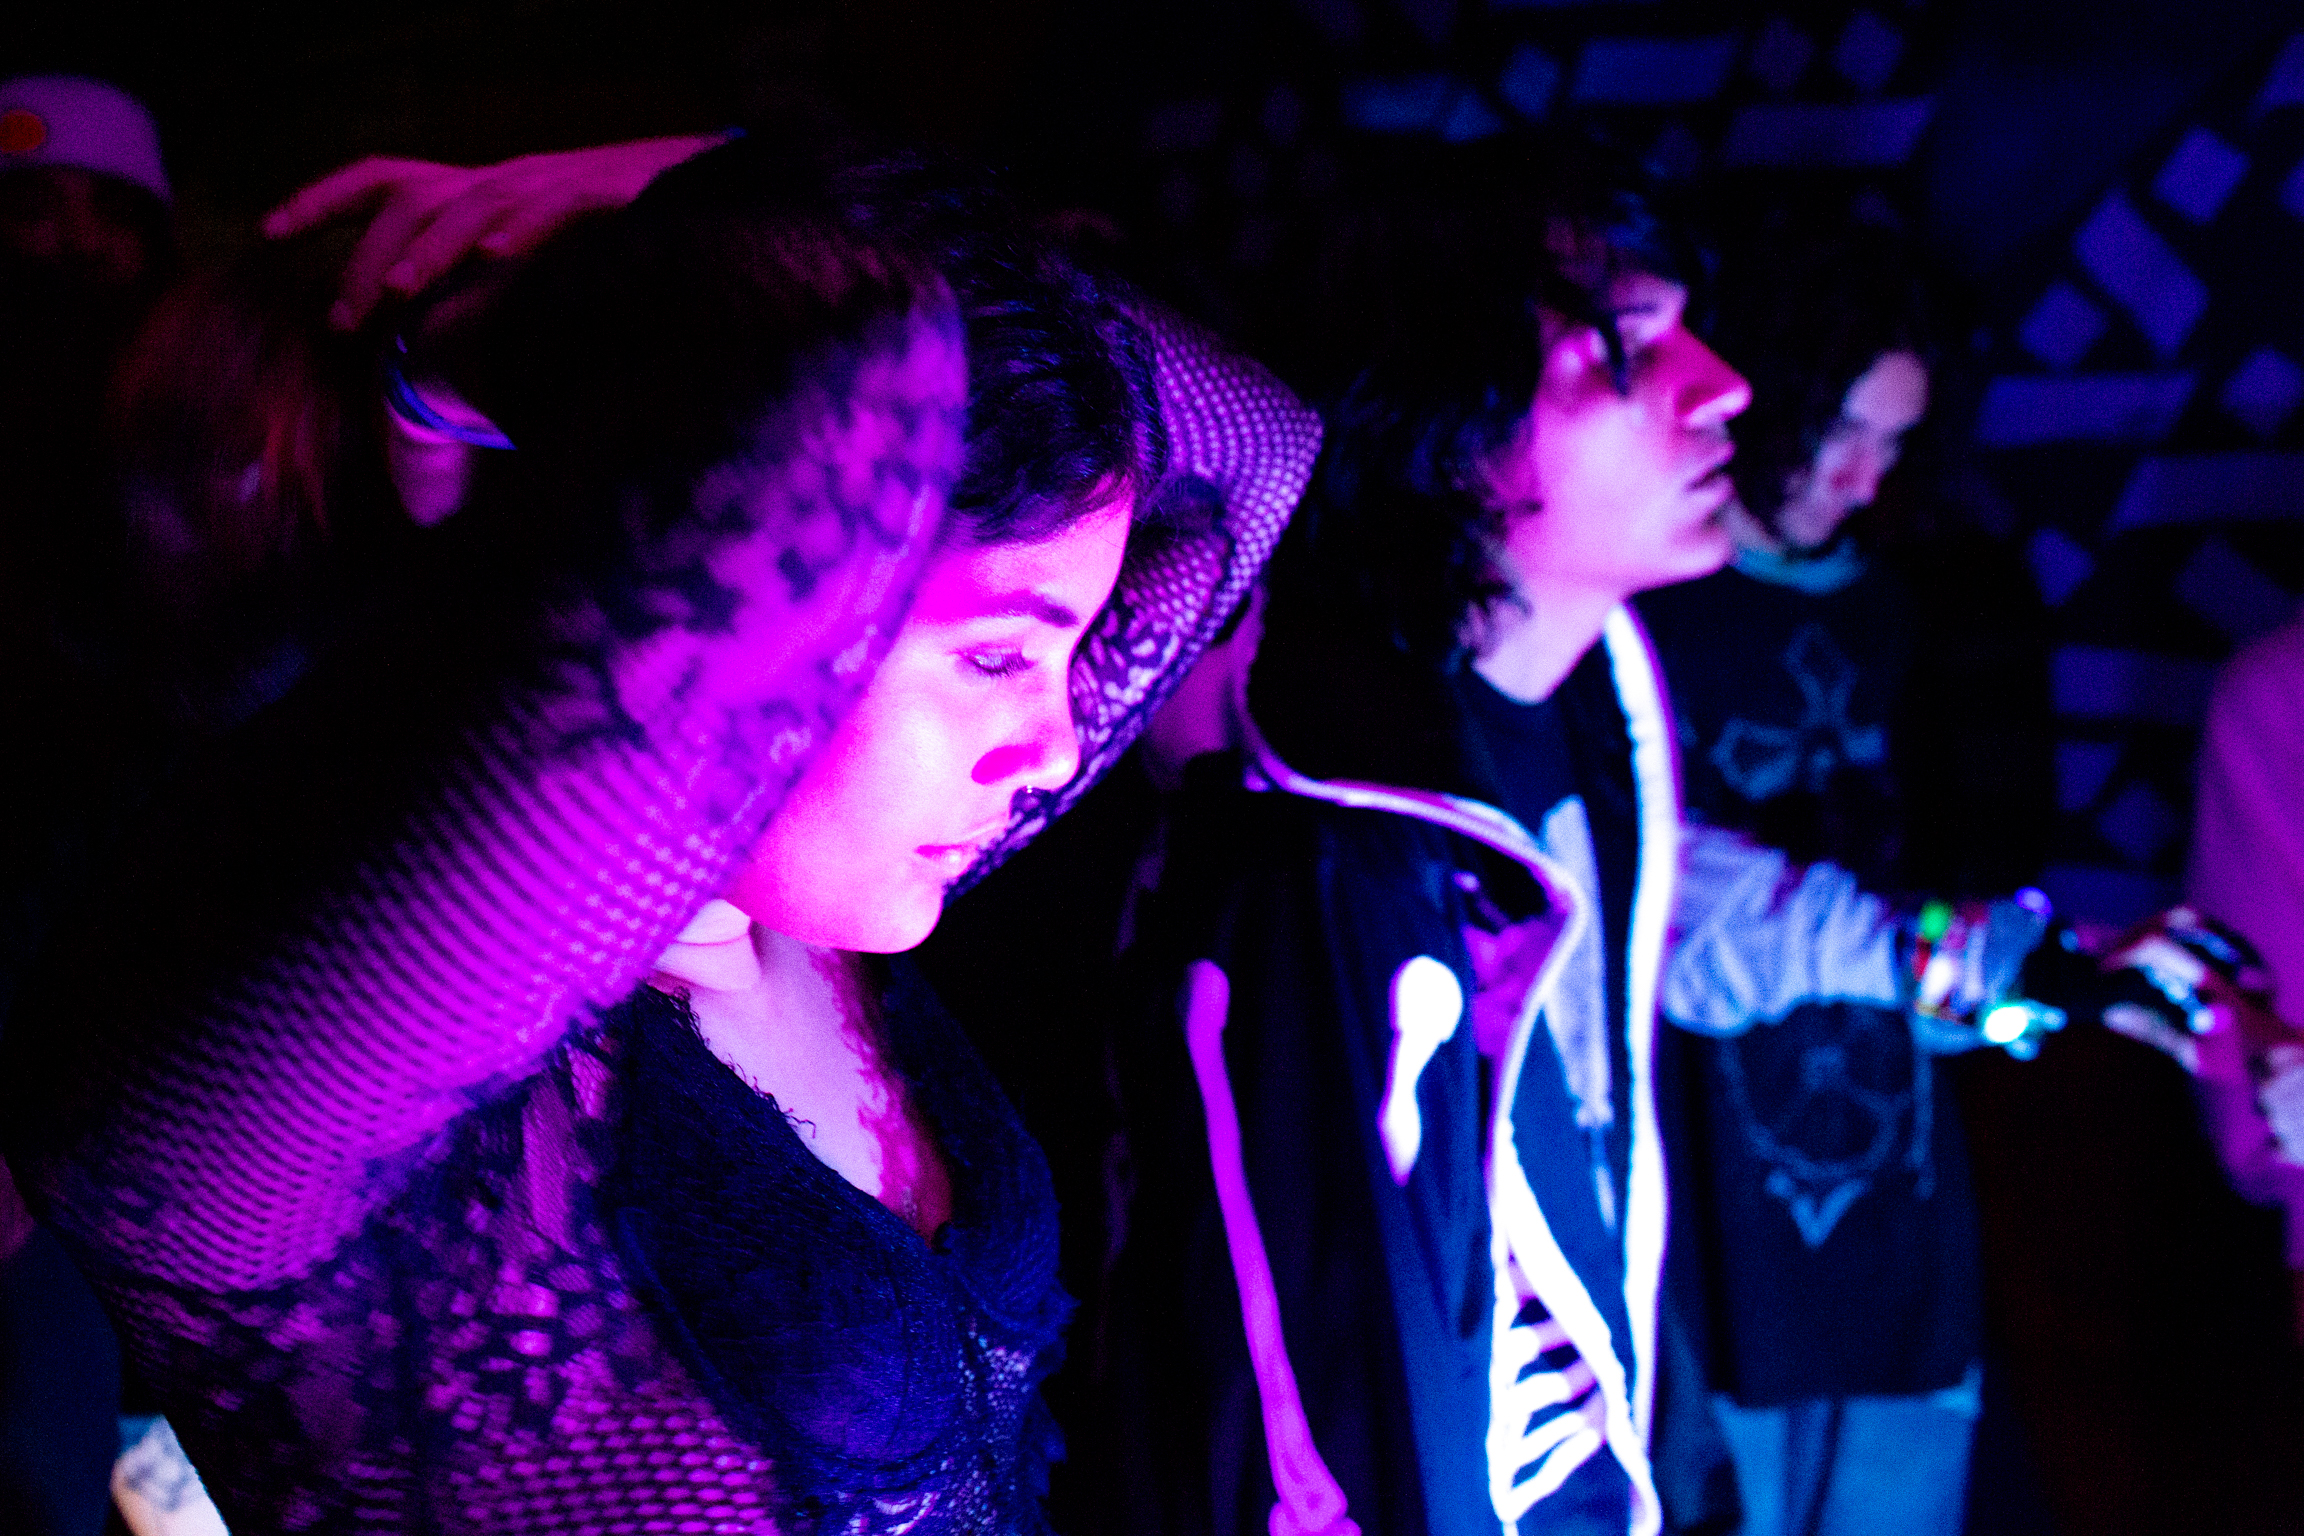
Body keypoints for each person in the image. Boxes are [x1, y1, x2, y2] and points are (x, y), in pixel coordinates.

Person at [4, 137, 1317, 1534]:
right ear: (778, 599)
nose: (1057, 744)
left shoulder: (791, 896)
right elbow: (854, 370)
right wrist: (566, 293)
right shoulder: (265, 1075)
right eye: (999, 657)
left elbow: (1257, 444)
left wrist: (701, 193)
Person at [1631, 219, 1986, 1536]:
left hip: (1897, 1164)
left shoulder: (1913, 613)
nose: (1859, 475)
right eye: (1844, 428)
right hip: (1710, 1181)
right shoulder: (1652, 604)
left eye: (1893, 444)